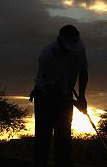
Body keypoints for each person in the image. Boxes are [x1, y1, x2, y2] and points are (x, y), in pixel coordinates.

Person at [30, 24, 88, 167]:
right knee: (44, 136)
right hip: (45, 95)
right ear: (61, 41)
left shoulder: (79, 48)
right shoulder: (47, 56)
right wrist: (75, 103)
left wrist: (82, 97)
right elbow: (55, 91)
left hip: (64, 92)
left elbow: (83, 72)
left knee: (64, 135)